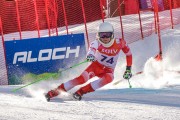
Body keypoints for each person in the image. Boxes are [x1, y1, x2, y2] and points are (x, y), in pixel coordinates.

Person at [45, 22, 132, 101]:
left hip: (108, 69)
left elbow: (129, 54)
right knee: (82, 79)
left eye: (108, 35)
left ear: (112, 34)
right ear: (98, 35)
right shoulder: (97, 43)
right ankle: (54, 92)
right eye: (102, 35)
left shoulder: (120, 43)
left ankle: (80, 92)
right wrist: (90, 56)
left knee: (109, 78)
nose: (105, 38)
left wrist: (128, 69)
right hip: (96, 67)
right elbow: (91, 50)